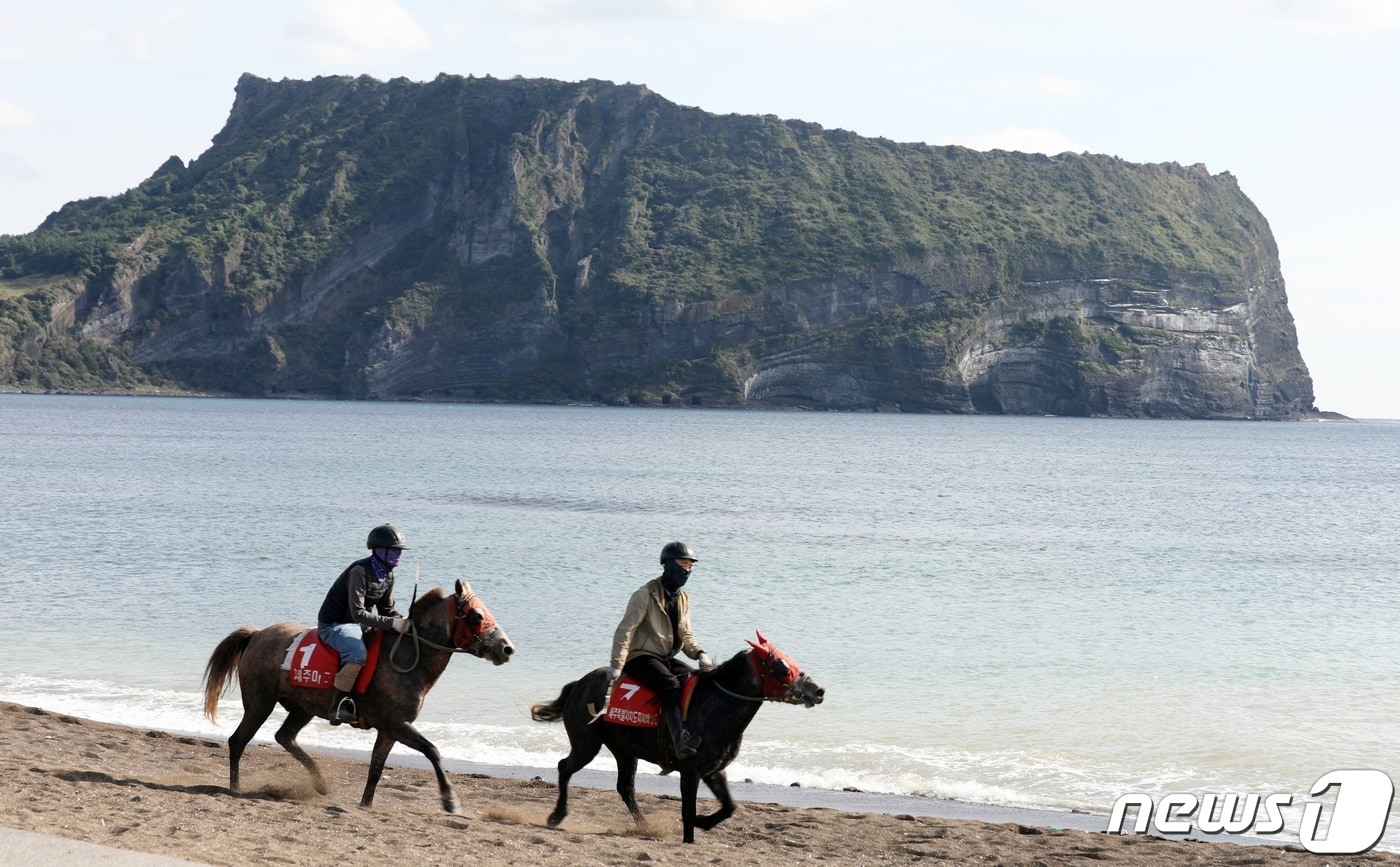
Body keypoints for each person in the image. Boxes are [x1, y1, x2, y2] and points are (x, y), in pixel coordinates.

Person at [610, 541, 714, 759]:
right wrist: (617, 665)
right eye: (683, 564)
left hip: (666, 657)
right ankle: (679, 743)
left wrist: (700, 654)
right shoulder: (644, 595)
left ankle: (688, 732)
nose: (688, 570)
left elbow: (685, 635)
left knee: (695, 682)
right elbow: (625, 630)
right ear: (667, 565)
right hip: (641, 655)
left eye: (691, 566)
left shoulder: (683, 599)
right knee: (670, 685)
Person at [317, 524, 412, 725]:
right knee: (357, 654)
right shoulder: (359, 571)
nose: (398, 556)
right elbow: (358, 613)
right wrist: (392, 623)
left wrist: (403, 620)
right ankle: (339, 705)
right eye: (395, 551)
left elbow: (386, 610)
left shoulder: (388, 574)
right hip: (336, 624)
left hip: (358, 624)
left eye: (399, 551)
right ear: (380, 551)